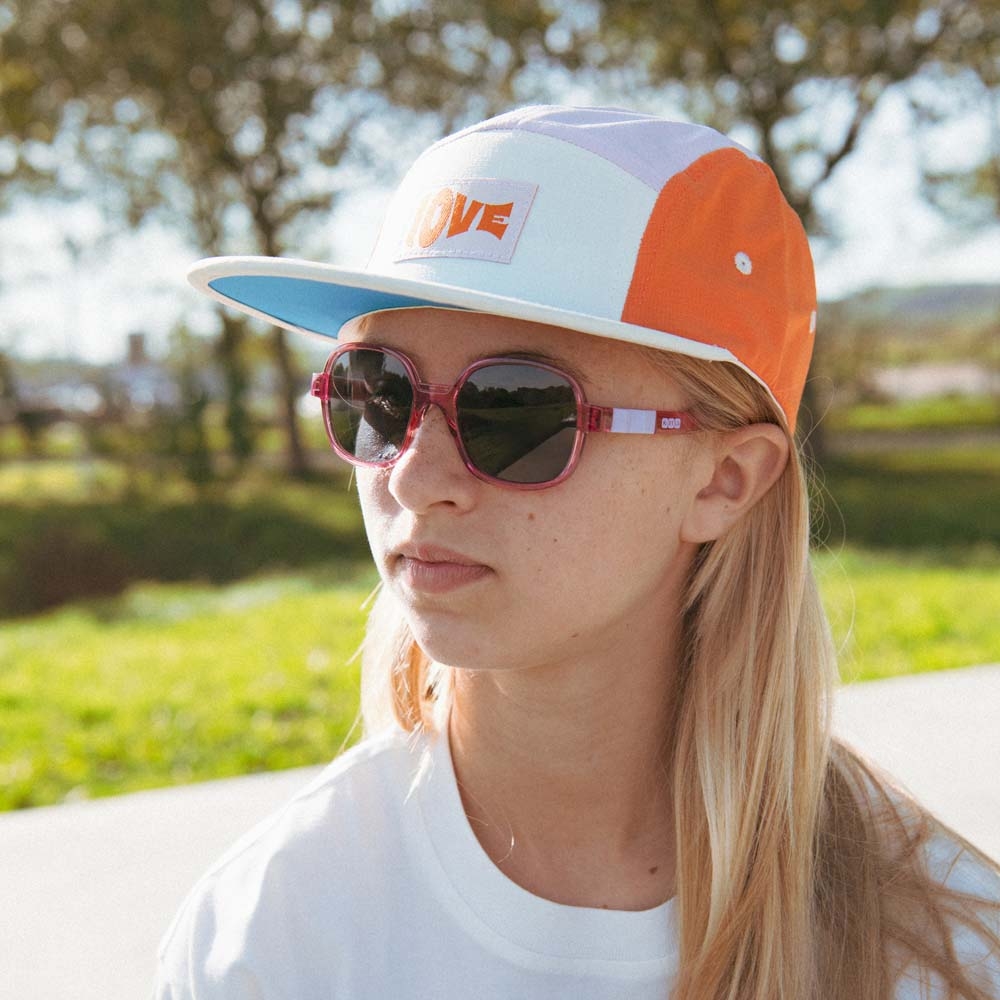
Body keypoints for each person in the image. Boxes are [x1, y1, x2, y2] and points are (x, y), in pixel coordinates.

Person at [155, 106, 1000, 999]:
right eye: (379, 394)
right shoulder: (266, 937)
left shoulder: (946, 958)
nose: (414, 477)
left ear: (724, 479)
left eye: (514, 409)